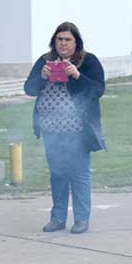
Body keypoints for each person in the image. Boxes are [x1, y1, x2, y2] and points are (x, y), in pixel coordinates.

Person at [23, 21, 106, 234]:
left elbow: (97, 90)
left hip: (78, 129)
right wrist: (41, 77)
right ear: (54, 41)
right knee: (57, 173)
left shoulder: (88, 61)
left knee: (78, 174)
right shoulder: (45, 61)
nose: (63, 44)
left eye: (68, 39)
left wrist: (77, 75)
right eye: (59, 39)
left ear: (76, 42)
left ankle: (81, 219)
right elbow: (29, 89)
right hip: (51, 128)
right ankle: (57, 218)